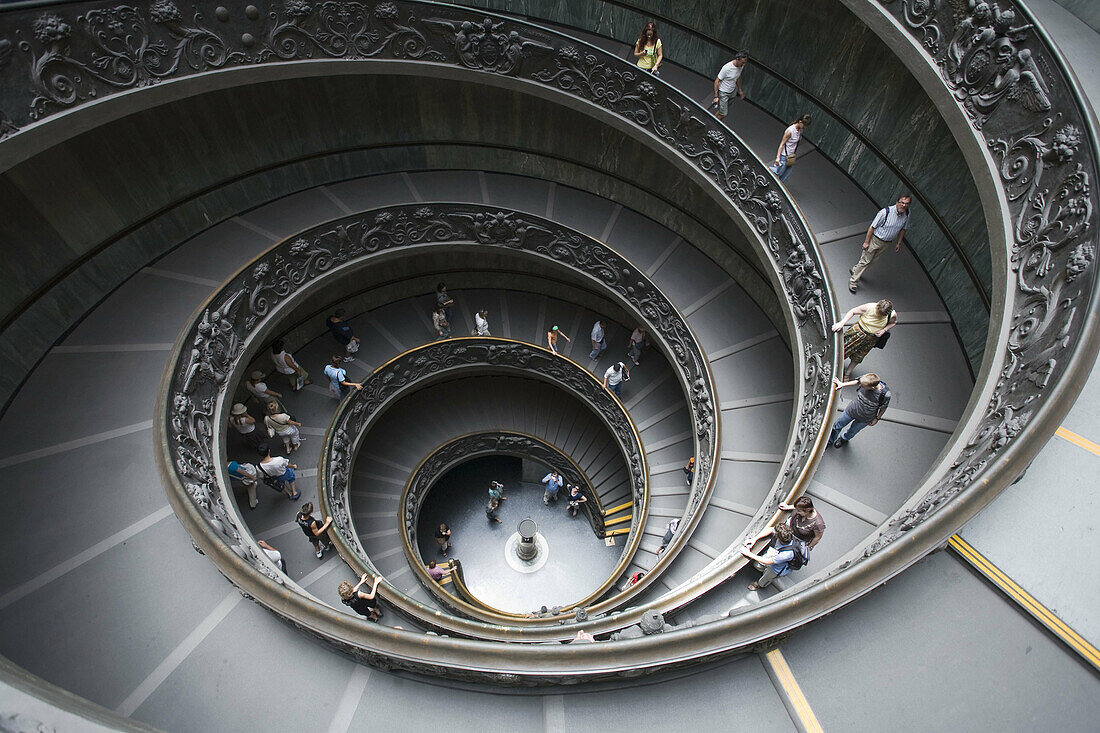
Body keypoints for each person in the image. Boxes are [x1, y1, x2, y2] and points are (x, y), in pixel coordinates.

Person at [848, 194, 912, 293]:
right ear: (897, 202)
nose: (903, 205)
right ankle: (853, 282)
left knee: (872, 261)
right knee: (865, 261)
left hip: (886, 243)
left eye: (906, 204)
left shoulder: (907, 214)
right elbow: (872, 227)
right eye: (902, 203)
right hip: (876, 240)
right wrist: (866, 242)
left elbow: (903, 229)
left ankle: (855, 269)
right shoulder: (885, 212)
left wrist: (898, 243)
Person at [831, 299, 898, 378]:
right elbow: (853, 311)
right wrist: (841, 323)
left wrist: (884, 330)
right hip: (857, 333)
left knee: (859, 356)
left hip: (871, 338)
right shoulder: (869, 307)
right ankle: (833, 364)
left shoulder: (892, 314)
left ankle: (848, 372)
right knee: (843, 349)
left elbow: (893, 323)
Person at [830, 373, 891, 448]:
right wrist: (842, 384)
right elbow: (858, 381)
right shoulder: (867, 379)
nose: (860, 386)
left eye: (863, 386)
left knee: (852, 431)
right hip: (852, 409)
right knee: (838, 424)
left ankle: (843, 439)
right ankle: (831, 440)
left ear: (872, 387)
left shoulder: (885, 394)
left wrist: (877, 419)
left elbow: (883, 408)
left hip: (865, 417)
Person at [746, 496, 826, 552]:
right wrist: (788, 507)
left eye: (799, 511)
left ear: (806, 511)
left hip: (797, 538)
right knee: (774, 529)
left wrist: (809, 547)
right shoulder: (807, 509)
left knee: (781, 549)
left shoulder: (818, 524)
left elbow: (817, 537)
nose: (797, 511)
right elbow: (798, 507)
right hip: (791, 526)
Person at [742, 523, 799, 591]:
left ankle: (759, 584)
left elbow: (767, 561)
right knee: (757, 565)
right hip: (775, 554)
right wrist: (754, 539)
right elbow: (770, 530)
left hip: (776, 569)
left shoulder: (786, 554)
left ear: (778, 538)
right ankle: (764, 571)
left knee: (766, 578)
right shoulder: (787, 535)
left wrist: (748, 554)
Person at [770, 114, 812, 183]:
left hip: (791, 156)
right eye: (804, 125)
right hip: (784, 155)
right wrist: (778, 157)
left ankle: (778, 187)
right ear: (800, 122)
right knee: (777, 171)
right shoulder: (790, 131)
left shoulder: (800, 130)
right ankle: (766, 169)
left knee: (786, 174)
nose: (805, 127)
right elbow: (782, 144)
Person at [712, 51, 748, 120]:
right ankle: (712, 124)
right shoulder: (727, 68)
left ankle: (714, 120)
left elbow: (738, 77)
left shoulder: (741, 66)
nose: (744, 64)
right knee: (723, 113)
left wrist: (740, 90)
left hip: (732, 91)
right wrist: (716, 96)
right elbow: (717, 81)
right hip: (724, 92)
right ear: (737, 59)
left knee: (722, 111)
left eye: (745, 62)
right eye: (742, 62)